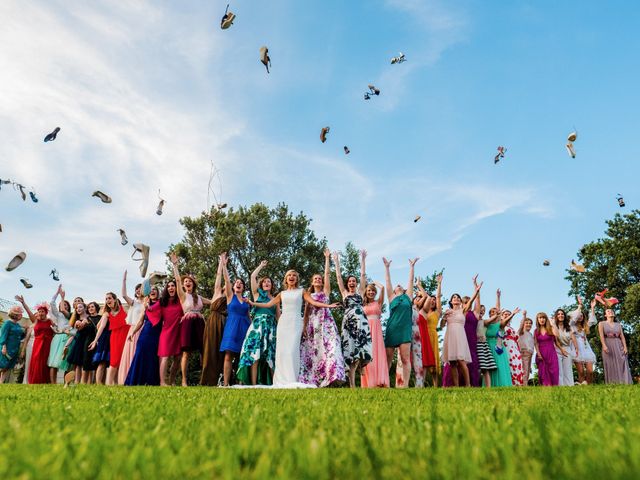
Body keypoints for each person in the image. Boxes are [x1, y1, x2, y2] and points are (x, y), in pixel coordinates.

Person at [248, 269, 339, 387]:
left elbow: (314, 302)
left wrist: (328, 305)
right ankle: (281, 380)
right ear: (286, 279)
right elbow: (268, 304)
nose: (291, 277)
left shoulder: (302, 292)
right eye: (289, 275)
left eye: (294, 275)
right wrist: (252, 303)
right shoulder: (281, 294)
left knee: (292, 351)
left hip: (296, 323)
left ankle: (293, 379)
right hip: (283, 324)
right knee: (282, 352)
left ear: (296, 279)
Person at [299, 249, 346, 387]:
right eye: (315, 279)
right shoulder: (308, 295)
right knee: (316, 351)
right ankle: (318, 379)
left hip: (327, 323)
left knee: (332, 347)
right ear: (312, 283)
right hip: (314, 325)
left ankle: (332, 377)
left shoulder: (326, 292)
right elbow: (306, 313)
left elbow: (327, 274)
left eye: (319, 279)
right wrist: (304, 328)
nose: (318, 280)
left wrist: (327, 259)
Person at [170, 253, 212, 386]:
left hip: (199, 323)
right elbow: (177, 280)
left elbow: (213, 302)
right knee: (186, 352)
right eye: (185, 282)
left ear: (193, 284)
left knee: (203, 351)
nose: (186, 282)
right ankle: (184, 380)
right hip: (187, 323)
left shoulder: (199, 297)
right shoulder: (182, 295)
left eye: (189, 281)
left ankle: (203, 379)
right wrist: (175, 265)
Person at [333, 250, 373, 388]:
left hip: (361, 323)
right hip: (348, 324)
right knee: (350, 353)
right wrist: (336, 261)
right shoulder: (344, 293)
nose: (351, 282)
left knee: (362, 347)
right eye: (349, 281)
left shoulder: (361, 292)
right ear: (347, 283)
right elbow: (338, 277)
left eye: (353, 281)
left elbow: (363, 275)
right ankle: (352, 384)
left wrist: (362, 259)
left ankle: (362, 363)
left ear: (356, 283)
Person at [237, 260, 280, 385]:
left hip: (271, 328)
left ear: (272, 285)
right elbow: (252, 276)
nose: (267, 283)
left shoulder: (276, 299)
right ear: (261, 285)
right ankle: (254, 384)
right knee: (254, 354)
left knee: (271, 355)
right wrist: (261, 266)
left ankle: (274, 384)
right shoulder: (256, 295)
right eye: (265, 282)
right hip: (257, 327)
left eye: (269, 282)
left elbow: (278, 316)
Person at [383, 256, 419, 388]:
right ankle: (385, 383)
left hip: (404, 330)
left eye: (400, 285)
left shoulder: (408, 297)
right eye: (396, 285)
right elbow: (388, 281)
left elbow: (410, 281)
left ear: (403, 290)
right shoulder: (391, 297)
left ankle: (405, 385)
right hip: (392, 329)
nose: (398, 285)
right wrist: (387, 268)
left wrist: (412, 267)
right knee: (388, 359)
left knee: (405, 359)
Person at [440, 279, 482, 387]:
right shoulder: (448, 312)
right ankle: (456, 385)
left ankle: (468, 384)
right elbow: (441, 325)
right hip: (450, 336)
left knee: (461, 361)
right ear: (451, 301)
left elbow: (471, 301)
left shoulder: (463, 310)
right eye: (454, 297)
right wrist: (444, 318)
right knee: (452, 362)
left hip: (460, 337)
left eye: (458, 297)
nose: (457, 299)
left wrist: (476, 291)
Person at [219, 253, 251, 386]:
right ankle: (226, 383)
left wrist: (252, 328)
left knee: (242, 357)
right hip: (232, 328)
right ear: (233, 286)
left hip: (244, 328)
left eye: (241, 283)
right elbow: (226, 280)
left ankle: (240, 382)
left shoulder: (246, 301)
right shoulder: (230, 296)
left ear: (243, 288)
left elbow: (249, 316)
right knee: (228, 355)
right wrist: (224, 265)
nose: (238, 284)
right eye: (236, 282)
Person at [89, 293, 129, 385]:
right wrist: (95, 340)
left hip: (125, 337)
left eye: (109, 298)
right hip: (113, 338)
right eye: (106, 299)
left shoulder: (124, 309)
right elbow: (101, 327)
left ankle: (118, 383)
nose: (107, 300)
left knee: (121, 361)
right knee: (111, 362)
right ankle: (106, 383)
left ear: (115, 299)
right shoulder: (107, 314)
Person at [125, 287, 162, 386]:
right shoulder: (145, 305)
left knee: (152, 357)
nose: (153, 291)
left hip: (157, 334)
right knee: (139, 354)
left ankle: (151, 382)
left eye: (155, 290)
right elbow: (141, 321)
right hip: (145, 333)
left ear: (158, 293)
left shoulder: (161, 303)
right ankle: (135, 381)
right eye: (151, 290)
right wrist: (132, 333)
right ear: (148, 293)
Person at [200, 255, 227, 386]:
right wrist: (221, 263)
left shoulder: (230, 297)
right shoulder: (217, 292)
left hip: (223, 323)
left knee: (221, 350)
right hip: (212, 322)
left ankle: (221, 379)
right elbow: (218, 276)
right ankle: (207, 379)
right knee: (209, 348)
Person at [16, 295, 55, 384]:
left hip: (47, 344)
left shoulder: (50, 321)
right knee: (36, 362)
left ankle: (44, 381)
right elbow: (29, 312)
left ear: (46, 312)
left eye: (42, 311)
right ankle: (35, 381)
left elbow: (56, 331)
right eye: (39, 311)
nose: (40, 313)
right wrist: (23, 303)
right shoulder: (36, 321)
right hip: (37, 344)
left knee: (45, 362)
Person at [595, 302, 632, 384]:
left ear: (614, 314)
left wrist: (625, 347)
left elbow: (622, 337)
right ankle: (612, 382)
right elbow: (601, 336)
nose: (610, 312)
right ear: (605, 315)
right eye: (608, 311)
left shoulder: (618, 325)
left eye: (611, 311)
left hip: (618, 345)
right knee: (610, 363)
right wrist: (604, 345)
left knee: (622, 362)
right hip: (608, 344)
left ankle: (624, 382)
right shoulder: (601, 324)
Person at [117, 271, 144, 385]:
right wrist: (124, 280)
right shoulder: (134, 303)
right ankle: (127, 378)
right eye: (136, 289)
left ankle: (139, 378)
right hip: (133, 330)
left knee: (139, 354)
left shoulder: (148, 303)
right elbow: (123, 295)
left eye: (140, 288)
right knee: (131, 354)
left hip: (143, 330)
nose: (138, 290)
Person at [362, 282, 389, 388]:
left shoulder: (379, 302)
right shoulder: (363, 304)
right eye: (369, 290)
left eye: (373, 290)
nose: (371, 292)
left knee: (378, 354)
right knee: (368, 355)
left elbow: (382, 287)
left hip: (377, 331)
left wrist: (374, 283)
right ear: (366, 292)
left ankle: (380, 381)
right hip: (366, 330)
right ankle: (369, 382)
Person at [158, 280, 183, 386]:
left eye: (173, 286)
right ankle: (162, 382)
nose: (171, 288)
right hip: (166, 333)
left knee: (178, 358)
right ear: (166, 289)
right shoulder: (162, 302)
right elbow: (150, 310)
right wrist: (146, 306)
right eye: (168, 286)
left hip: (179, 332)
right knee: (165, 357)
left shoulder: (181, 300)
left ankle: (171, 381)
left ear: (176, 288)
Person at [485, 290, 512, 387]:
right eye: (491, 312)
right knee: (488, 368)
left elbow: (498, 310)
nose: (493, 313)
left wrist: (498, 297)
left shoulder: (500, 324)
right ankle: (489, 386)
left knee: (499, 367)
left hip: (498, 348)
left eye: (495, 312)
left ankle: (502, 385)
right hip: (488, 347)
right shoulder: (486, 324)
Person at [535, 312, 568, 386]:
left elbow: (556, 340)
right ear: (537, 320)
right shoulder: (536, 331)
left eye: (543, 318)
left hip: (551, 353)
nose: (542, 319)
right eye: (540, 318)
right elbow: (536, 344)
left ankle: (554, 387)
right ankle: (546, 389)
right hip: (541, 353)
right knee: (543, 373)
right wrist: (539, 354)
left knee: (554, 371)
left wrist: (562, 350)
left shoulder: (551, 328)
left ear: (546, 319)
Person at [47, 285, 71, 383]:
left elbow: (63, 311)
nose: (63, 306)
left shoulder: (70, 315)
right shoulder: (57, 315)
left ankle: (66, 383)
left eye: (66, 305)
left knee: (65, 362)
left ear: (68, 307)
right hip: (57, 338)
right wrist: (57, 294)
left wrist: (62, 298)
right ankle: (53, 384)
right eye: (62, 304)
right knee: (54, 361)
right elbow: (52, 303)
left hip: (66, 339)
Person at [570, 296, 596, 384]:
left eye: (582, 315)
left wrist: (592, 308)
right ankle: (582, 388)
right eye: (579, 315)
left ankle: (589, 387)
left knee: (590, 371)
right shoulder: (572, 325)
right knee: (581, 372)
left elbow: (592, 321)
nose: (580, 317)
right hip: (576, 347)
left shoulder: (585, 326)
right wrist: (579, 305)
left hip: (586, 348)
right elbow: (573, 316)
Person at [423, 274, 443, 386]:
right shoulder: (424, 312)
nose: (433, 301)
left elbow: (439, 297)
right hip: (424, 336)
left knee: (434, 360)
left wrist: (439, 284)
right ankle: (422, 383)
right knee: (424, 360)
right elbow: (425, 297)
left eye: (434, 301)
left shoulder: (437, 312)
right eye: (432, 300)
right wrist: (419, 285)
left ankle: (435, 385)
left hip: (433, 335)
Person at [0, 305, 26, 383]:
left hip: (14, 349)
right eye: (19, 314)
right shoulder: (7, 323)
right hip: (7, 347)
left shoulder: (17, 325)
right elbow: (3, 335)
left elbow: (20, 337)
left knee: (8, 367)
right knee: (2, 366)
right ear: (15, 315)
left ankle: (1, 382)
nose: (21, 316)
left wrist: (26, 331)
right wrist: (3, 347)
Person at [551, 309, 576, 386]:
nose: (560, 315)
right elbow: (556, 338)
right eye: (558, 314)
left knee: (568, 369)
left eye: (562, 314)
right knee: (559, 370)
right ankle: (560, 386)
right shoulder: (553, 326)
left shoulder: (569, 327)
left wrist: (576, 349)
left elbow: (573, 338)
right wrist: (554, 324)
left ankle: (570, 386)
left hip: (567, 349)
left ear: (564, 316)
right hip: (557, 348)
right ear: (556, 316)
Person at [476, 303, 498, 388]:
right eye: (480, 308)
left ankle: (488, 387)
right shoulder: (471, 320)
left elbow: (492, 319)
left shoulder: (483, 321)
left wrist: (497, 314)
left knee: (485, 368)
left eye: (483, 310)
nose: (482, 310)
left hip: (482, 345)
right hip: (473, 344)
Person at [501, 307, 523, 386]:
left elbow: (519, 331)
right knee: (509, 364)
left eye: (508, 314)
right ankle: (509, 383)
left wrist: (524, 316)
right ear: (502, 316)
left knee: (516, 364)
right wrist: (513, 314)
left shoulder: (512, 328)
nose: (507, 316)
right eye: (505, 314)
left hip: (515, 348)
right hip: (506, 346)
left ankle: (517, 384)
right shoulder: (501, 325)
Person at [517, 313, 534, 386]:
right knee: (524, 371)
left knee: (527, 371)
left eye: (530, 323)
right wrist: (524, 316)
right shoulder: (521, 332)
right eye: (526, 323)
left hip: (529, 354)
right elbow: (521, 326)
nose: (528, 324)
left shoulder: (530, 334)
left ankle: (525, 385)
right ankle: (523, 386)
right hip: (523, 353)